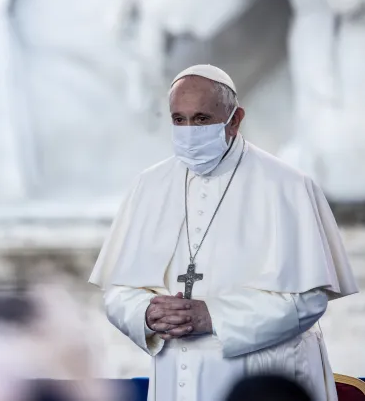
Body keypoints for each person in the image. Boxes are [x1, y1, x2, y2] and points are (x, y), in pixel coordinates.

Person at [89, 64, 358, 401]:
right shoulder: (149, 185)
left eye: (201, 119)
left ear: (235, 119)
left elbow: (309, 298)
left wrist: (212, 315)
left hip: (265, 374)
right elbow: (117, 290)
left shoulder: (287, 185)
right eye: (179, 119)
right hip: (176, 372)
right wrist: (146, 313)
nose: (189, 130)